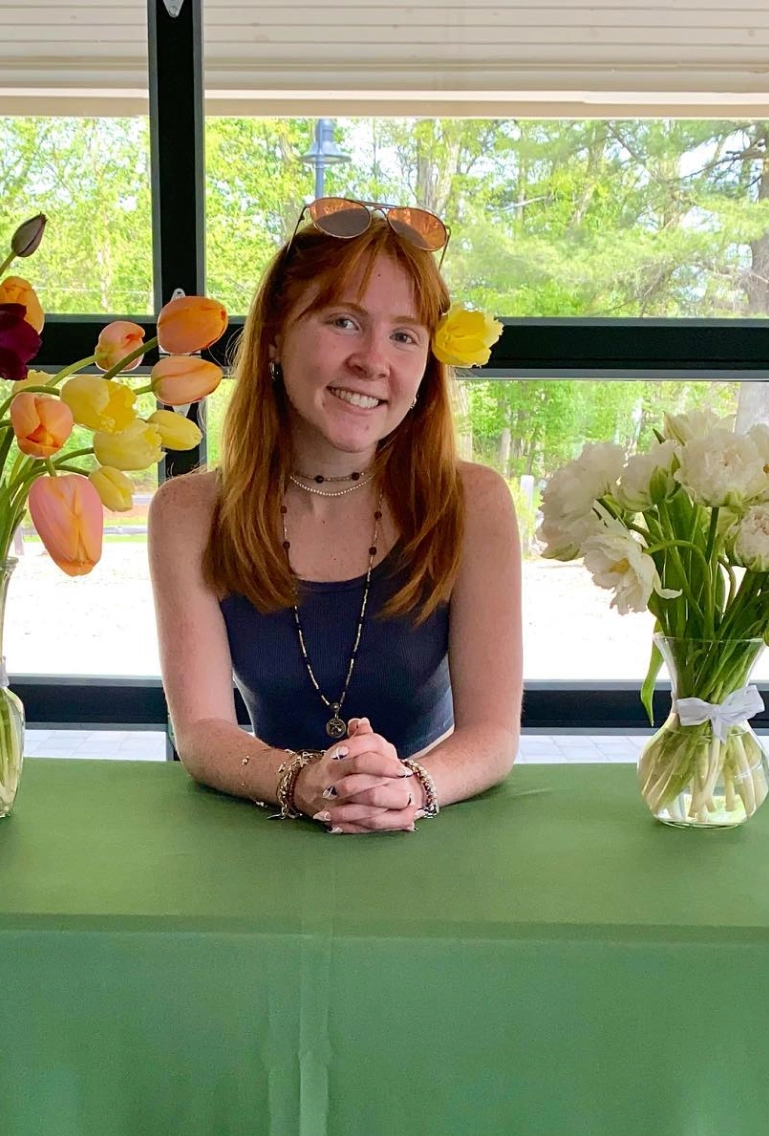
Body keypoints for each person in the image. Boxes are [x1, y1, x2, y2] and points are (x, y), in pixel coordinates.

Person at [148, 198, 522, 833]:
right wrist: (299, 783)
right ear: (274, 337)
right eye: (343, 322)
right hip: (259, 831)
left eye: (404, 335)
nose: (374, 360)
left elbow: (492, 735)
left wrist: (410, 788)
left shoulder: (475, 503)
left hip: (429, 829)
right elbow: (203, 730)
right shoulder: (186, 512)